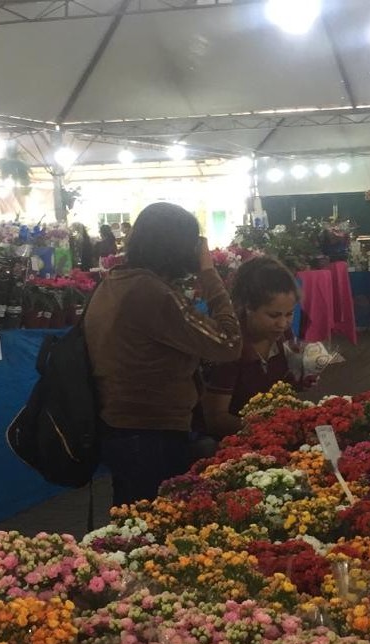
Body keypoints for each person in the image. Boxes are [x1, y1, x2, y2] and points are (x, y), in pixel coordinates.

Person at [84, 202, 242, 505]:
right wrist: (209, 274)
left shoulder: (117, 281)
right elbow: (229, 342)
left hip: (124, 428)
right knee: (152, 527)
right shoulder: (150, 292)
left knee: (134, 522)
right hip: (151, 433)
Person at [200, 256, 301, 439]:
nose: (283, 323)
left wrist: (300, 380)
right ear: (248, 307)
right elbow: (216, 419)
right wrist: (267, 429)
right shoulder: (230, 347)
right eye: (273, 315)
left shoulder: (283, 336)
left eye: (289, 314)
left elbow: (282, 390)